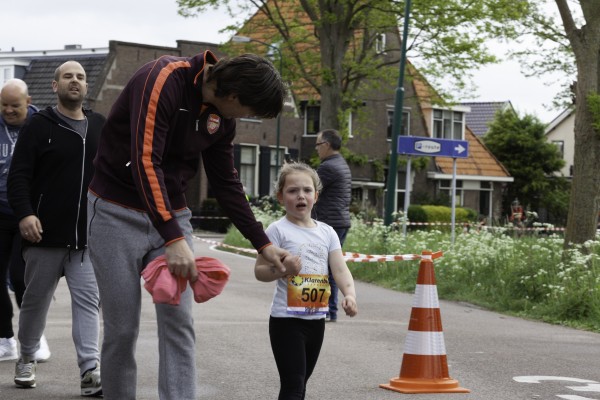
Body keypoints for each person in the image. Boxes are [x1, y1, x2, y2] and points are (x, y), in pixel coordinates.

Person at [86, 50, 291, 400]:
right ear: (233, 96)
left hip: (171, 214)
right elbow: (145, 161)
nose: (247, 117)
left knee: (178, 321)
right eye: (250, 111)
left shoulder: (221, 117)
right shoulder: (163, 79)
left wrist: (263, 243)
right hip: (114, 211)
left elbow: (226, 182)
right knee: (122, 330)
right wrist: (173, 237)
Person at [7, 61, 104, 396]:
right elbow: (18, 175)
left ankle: (90, 370)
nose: (74, 81)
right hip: (43, 235)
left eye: (80, 76)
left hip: (87, 239)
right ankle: (28, 358)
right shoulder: (38, 125)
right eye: (68, 76)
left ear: (86, 86)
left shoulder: (98, 127)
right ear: (54, 85)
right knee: (35, 302)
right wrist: (25, 214)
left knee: (88, 303)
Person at [254, 161, 358, 400]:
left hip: (316, 319)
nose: (301, 196)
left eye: (307, 190)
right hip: (286, 320)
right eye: (292, 191)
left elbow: (340, 270)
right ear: (281, 197)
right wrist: (282, 269)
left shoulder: (327, 232)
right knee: (293, 386)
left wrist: (350, 294)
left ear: (316, 195)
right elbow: (259, 271)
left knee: (299, 385)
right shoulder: (277, 231)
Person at [0, 79, 51, 363]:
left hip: (28, 215)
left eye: (15, 105)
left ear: (28, 102)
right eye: (4, 105)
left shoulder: (41, 125)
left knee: (22, 278)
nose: (8, 110)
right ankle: (5, 338)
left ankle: (33, 335)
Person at [311, 129, 352, 322]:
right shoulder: (341, 163)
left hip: (330, 222)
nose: (316, 149)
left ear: (326, 145)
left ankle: (329, 309)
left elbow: (311, 189)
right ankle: (328, 308)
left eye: (318, 145)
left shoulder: (328, 167)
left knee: (329, 267)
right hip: (339, 221)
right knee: (331, 266)